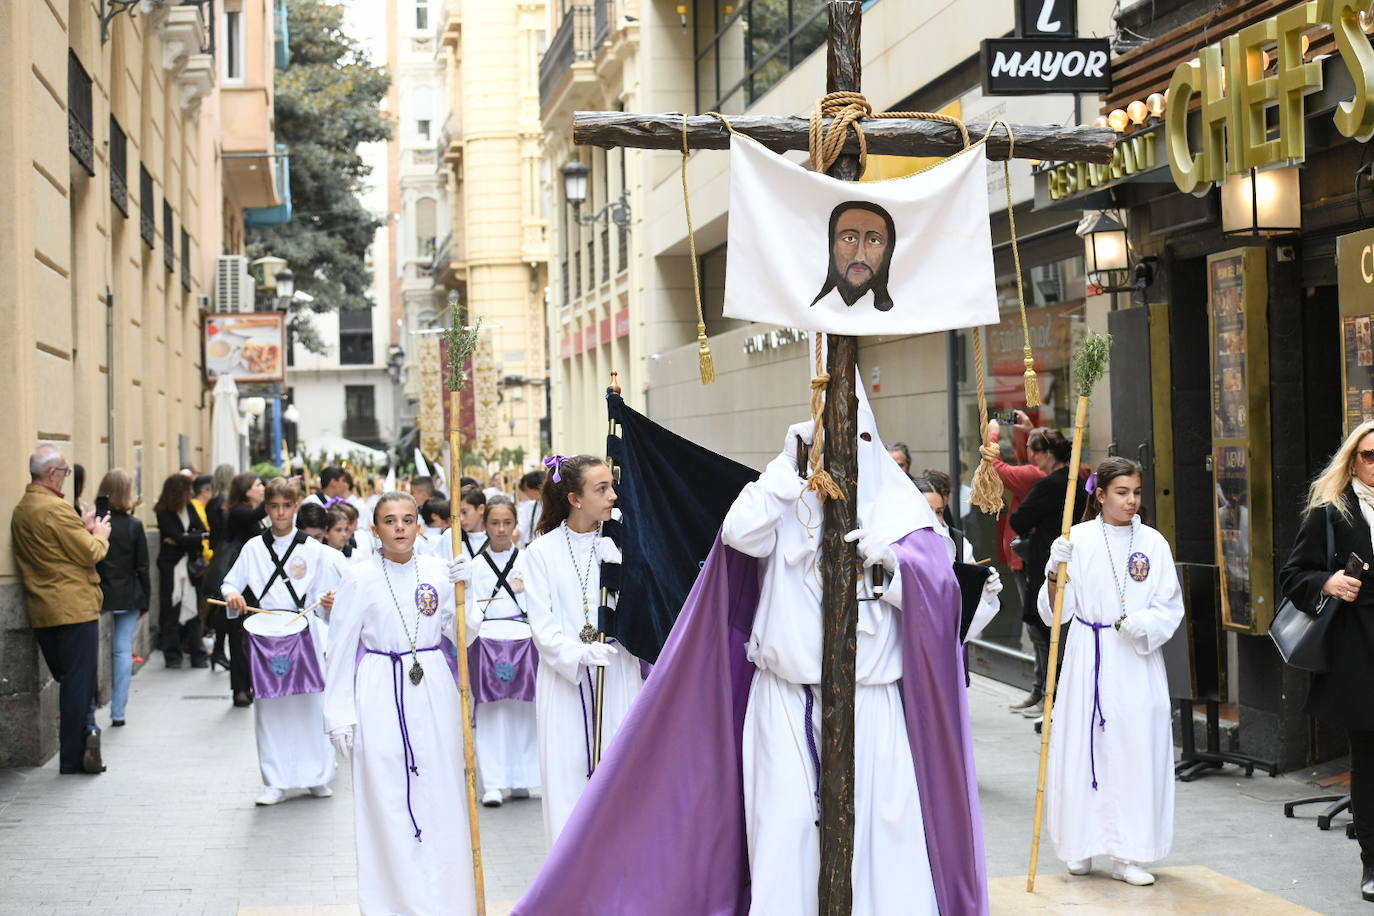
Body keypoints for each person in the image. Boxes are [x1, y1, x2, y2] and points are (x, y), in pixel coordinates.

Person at [323, 491, 478, 916]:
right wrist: (338, 715)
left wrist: (468, 589)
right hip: (379, 688)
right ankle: (394, 903)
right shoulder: (359, 577)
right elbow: (339, 649)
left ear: (419, 525)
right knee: (387, 795)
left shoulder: (437, 571)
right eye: (390, 521)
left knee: (440, 790)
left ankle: (445, 898)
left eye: (408, 519)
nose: (400, 528)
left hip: (432, 687)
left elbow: (465, 636)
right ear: (375, 530)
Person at [1039, 457, 1182, 886]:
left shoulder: (1153, 543)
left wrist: (1146, 624)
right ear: (1099, 495)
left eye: (1136, 492)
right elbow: (1054, 615)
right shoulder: (1076, 539)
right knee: (1085, 750)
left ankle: (1129, 853)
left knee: (1134, 750)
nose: (1131, 500)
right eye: (1122, 492)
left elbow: (1168, 604)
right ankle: (1080, 844)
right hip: (1089, 655)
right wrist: (1052, 571)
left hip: (1135, 660)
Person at [519, 455, 643, 845]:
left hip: (616, 673)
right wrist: (577, 654)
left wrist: (625, 576)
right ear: (574, 498)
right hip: (566, 681)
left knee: (620, 776)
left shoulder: (624, 540)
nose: (612, 495)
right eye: (601, 488)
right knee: (568, 777)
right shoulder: (541, 553)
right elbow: (542, 624)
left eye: (612, 486)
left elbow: (647, 611)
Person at [1279, 419, 1374, 903]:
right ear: (1352, 460)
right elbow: (1293, 576)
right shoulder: (1331, 512)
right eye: (1369, 455)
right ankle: (1372, 861)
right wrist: (1329, 583)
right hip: (1358, 649)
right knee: (1370, 759)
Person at [222, 477, 345, 805]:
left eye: (286, 506)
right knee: (270, 708)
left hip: (303, 629)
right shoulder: (253, 548)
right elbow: (229, 584)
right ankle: (274, 781)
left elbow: (328, 594)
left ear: (296, 507)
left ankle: (318, 776)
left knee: (310, 705)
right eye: (274, 506)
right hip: (266, 633)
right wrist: (233, 596)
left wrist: (331, 603)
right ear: (266, 508)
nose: (280, 513)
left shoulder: (314, 550)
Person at [11, 444, 111, 774]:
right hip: (74, 608)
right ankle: (73, 756)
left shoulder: (23, 507)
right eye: (65, 472)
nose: (67, 477)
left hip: (43, 608)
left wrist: (78, 528)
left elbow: (56, 550)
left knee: (69, 681)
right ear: (52, 473)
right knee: (77, 685)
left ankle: (85, 740)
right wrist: (99, 533)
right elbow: (91, 553)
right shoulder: (55, 508)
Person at [465, 495, 540, 807]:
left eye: (507, 522)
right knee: (491, 713)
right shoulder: (473, 566)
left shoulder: (528, 561)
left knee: (524, 712)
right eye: (494, 523)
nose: (500, 529)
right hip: (488, 641)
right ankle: (493, 782)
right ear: (485, 526)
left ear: (515, 525)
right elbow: (469, 609)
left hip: (523, 639)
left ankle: (522, 778)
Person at [1009, 426, 1083, 721]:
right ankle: (1050, 696)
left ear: (1049, 454)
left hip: (1051, 562)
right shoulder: (1083, 479)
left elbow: (1019, 519)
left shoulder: (1053, 484)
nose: (1032, 457)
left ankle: (1052, 698)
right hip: (1080, 561)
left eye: (1035, 451)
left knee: (1047, 629)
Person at [986, 414, 1047, 711]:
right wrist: (1030, 430)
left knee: (1039, 629)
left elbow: (997, 468)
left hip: (1029, 560)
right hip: (1026, 557)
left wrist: (992, 436)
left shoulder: (1035, 476)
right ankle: (1043, 690)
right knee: (1039, 629)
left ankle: (1044, 692)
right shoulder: (1042, 472)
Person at [914, 476, 1002, 643]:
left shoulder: (957, 542)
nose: (935, 520)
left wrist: (981, 589)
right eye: (927, 511)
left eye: (939, 512)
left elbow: (966, 623)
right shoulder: (895, 549)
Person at [94, 469, 150, 727]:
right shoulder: (134, 525)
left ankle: (90, 706)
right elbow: (143, 566)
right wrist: (146, 600)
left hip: (98, 593)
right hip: (128, 594)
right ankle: (118, 712)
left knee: (91, 651)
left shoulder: (95, 523)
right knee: (122, 652)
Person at [154, 474, 208, 669]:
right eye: (188, 489)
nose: (192, 493)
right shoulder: (163, 511)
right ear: (179, 491)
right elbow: (182, 536)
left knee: (194, 610)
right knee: (171, 610)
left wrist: (184, 538)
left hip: (191, 567)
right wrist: (188, 537)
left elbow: (203, 532)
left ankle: (198, 654)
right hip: (172, 567)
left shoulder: (191, 507)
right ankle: (172, 655)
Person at [809, 200, 896, 312]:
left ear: (888, 251)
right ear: (832, 245)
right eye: (849, 239)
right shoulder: (810, 305)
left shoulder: (901, 318)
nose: (859, 257)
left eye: (873, 240)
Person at [515, 470, 545, 545]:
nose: (525, 493)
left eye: (525, 490)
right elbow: (520, 529)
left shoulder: (558, 505)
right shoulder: (530, 507)